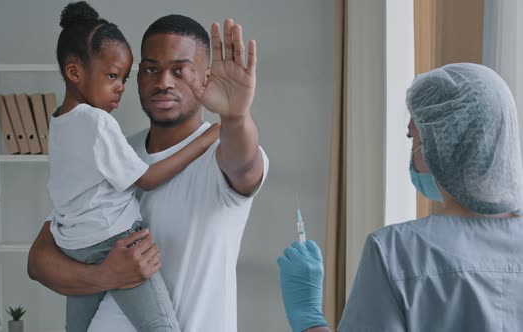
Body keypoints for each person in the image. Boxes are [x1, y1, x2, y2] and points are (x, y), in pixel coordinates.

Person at [28, 13, 269, 332]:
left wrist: (236, 117)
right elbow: (40, 259)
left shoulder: (221, 153)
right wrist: (105, 276)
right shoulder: (109, 149)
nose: (164, 81)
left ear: (206, 79)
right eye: (151, 69)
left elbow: (244, 163)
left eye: (180, 70)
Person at [278, 63, 523, 331]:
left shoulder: (397, 253)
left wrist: (308, 316)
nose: (413, 153)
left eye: (413, 137)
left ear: (440, 143)